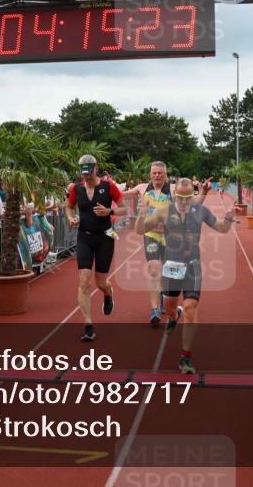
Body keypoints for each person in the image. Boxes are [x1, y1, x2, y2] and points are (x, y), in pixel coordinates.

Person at [143, 177, 235, 374]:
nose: (184, 202)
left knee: (191, 308)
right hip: (172, 266)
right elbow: (142, 228)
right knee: (169, 307)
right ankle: (174, 315)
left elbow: (223, 228)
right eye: (180, 198)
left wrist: (228, 218)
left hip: (193, 266)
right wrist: (142, 218)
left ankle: (186, 357)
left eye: (188, 197)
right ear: (175, 195)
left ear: (192, 196)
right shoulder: (165, 211)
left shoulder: (200, 211)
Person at [66, 154, 125, 342]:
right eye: (83, 175)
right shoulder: (76, 189)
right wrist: (70, 218)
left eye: (89, 174)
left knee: (100, 283)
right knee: (84, 281)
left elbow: (125, 209)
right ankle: (88, 326)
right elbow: (69, 207)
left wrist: (111, 211)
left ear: (96, 169)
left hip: (105, 237)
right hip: (84, 237)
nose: (87, 178)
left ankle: (108, 293)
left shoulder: (109, 187)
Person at [125, 161, 174, 325]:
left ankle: (162, 295)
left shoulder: (172, 190)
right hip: (150, 234)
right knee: (154, 270)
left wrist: (199, 188)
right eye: (154, 173)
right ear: (150, 174)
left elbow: (192, 197)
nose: (157, 175)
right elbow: (124, 194)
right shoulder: (142, 188)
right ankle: (154, 310)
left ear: (165, 174)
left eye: (160, 173)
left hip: (169, 236)